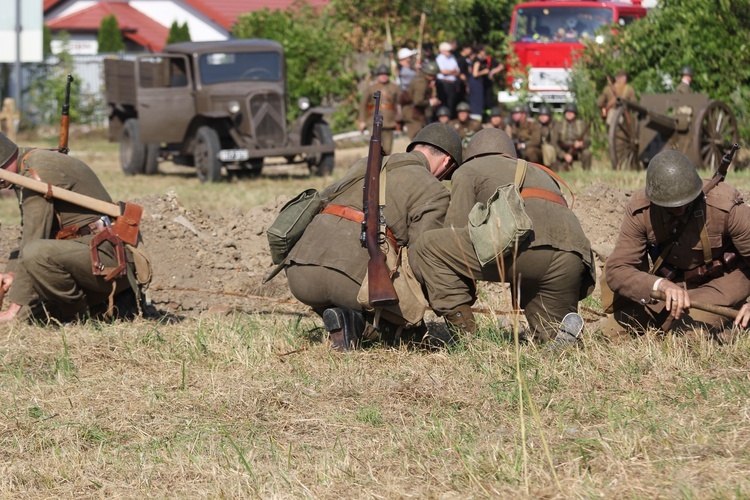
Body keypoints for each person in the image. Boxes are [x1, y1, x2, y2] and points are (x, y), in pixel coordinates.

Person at [284, 123, 463, 350]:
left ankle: (338, 318)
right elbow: (424, 257)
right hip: (351, 283)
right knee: (409, 338)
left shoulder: (364, 164)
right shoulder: (433, 191)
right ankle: (359, 325)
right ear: (447, 162)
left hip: (300, 273)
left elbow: (323, 199)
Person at [409, 128, 596, 343]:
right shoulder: (540, 172)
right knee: (549, 332)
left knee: (428, 246)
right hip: (572, 256)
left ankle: (465, 336)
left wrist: (459, 291)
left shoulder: (469, 169)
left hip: (522, 248)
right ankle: (561, 334)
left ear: (473, 154)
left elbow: (455, 231)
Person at [0, 132, 149, 323]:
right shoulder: (29, 163)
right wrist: (11, 273)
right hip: (91, 251)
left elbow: (33, 239)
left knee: (35, 255)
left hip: (107, 258)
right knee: (34, 313)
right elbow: (27, 233)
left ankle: (78, 318)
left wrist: (13, 309)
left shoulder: (35, 174)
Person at [602, 150, 750, 341]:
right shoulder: (641, 211)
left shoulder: (726, 207)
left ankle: (732, 327)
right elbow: (617, 270)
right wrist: (660, 284)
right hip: (672, 289)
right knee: (610, 335)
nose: (679, 209)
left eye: (686, 202)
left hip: (720, 285)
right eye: (670, 205)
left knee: (683, 339)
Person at [358, 64, 401, 155]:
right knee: (375, 147)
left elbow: (399, 104)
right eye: (381, 74)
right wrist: (362, 120)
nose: (383, 76)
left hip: (389, 121)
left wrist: (399, 119)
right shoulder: (370, 88)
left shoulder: (395, 87)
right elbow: (363, 104)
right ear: (378, 75)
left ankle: (384, 167)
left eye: (386, 74)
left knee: (387, 149)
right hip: (374, 120)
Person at [401, 60, 441, 139]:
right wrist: (431, 102)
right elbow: (418, 101)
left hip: (417, 114)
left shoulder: (424, 81)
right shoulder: (421, 83)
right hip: (413, 114)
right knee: (417, 139)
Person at [555, 103, 591, 171]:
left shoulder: (581, 125)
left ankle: (586, 171)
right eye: (567, 112)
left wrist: (582, 144)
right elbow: (554, 143)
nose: (569, 114)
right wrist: (563, 155)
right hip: (563, 150)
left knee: (587, 153)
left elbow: (588, 140)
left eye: (571, 112)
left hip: (577, 151)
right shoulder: (558, 125)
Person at [435, 42, 461, 117]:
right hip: (443, 83)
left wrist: (450, 71)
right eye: (447, 51)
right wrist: (452, 71)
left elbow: (457, 71)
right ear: (442, 50)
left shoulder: (452, 57)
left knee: (451, 103)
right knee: (443, 102)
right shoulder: (439, 58)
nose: (449, 52)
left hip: (452, 84)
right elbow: (443, 71)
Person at [469, 45, 489, 120]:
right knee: (476, 101)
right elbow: (475, 73)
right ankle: (476, 119)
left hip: (476, 83)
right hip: (476, 83)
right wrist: (484, 71)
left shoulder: (476, 59)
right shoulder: (477, 61)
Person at [537, 105, 559, 170]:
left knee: (548, 149)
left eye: (544, 115)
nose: (542, 117)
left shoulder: (555, 125)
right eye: (541, 115)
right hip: (539, 147)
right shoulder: (536, 125)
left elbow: (555, 141)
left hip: (552, 147)